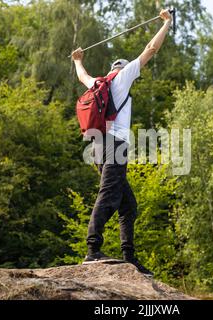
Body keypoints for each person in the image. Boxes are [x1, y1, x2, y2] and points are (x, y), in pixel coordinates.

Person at [71, 9, 173, 276]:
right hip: (114, 145)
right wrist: (166, 24)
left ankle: (129, 258)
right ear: (122, 69)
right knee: (109, 194)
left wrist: (77, 60)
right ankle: (93, 250)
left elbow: (82, 76)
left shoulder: (98, 83)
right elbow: (151, 49)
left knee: (128, 204)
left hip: (96, 147)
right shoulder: (123, 77)